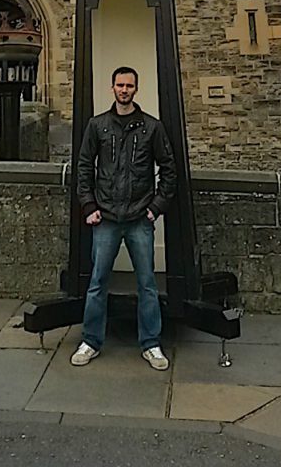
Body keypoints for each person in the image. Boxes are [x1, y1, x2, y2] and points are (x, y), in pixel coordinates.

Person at [71, 66, 177, 370]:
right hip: (105, 215)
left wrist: (155, 207)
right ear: (113, 87)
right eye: (120, 84)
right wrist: (89, 204)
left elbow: (168, 170)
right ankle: (90, 340)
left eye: (129, 85)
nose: (124, 90)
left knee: (147, 283)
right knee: (97, 282)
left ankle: (151, 343)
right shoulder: (98, 126)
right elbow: (83, 167)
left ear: (136, 89)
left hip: (138, 218)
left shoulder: (152, 128)